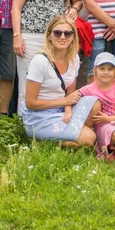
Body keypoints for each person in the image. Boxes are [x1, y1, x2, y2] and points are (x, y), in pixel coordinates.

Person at [12, 0, 82, 112]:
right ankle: (25, 121)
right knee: (28, 80)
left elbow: (77, 1)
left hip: (59, 36)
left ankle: (55, 119)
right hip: (31, 36)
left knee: (56, 80)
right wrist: (17, 36)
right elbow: (16, 8)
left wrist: (75, 9)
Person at [20, 15, 101, 148]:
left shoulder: (74, 59)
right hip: (40, 115)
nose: (62, 37)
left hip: (61, 110)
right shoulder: (40, 61)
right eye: (57, 33)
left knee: (94, 103)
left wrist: (68, 109)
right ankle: (53, 140)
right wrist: (64, 102)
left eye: (68, 33)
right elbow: (30, 103)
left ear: (73, 37)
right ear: (49, 36)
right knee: (89, 138)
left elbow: (69, 94)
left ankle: (67, 135)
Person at [76, 52, 115, 163]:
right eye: (102, 69)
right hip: (103, 123)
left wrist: (109, 119)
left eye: (110, 69)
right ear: (95, 70)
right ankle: (109, 148)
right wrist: (67, 109)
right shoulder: (90, 88)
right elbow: (73, 96)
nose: (106, 73)